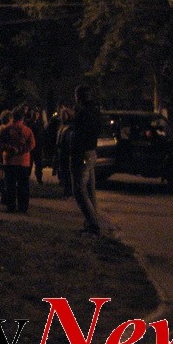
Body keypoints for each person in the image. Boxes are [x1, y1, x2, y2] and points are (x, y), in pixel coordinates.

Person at [70, 84, 102, 235]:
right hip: (91, 152)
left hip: (81, 153)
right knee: (90, 190)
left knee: (79, 191)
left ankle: (93, 225)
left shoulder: (83, 112)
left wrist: (74, 149)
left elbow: (79, 134)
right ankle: (92, 222)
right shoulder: (96, 110)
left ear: (78, 97)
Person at [0, 107, 35, 213]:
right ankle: (23, 207)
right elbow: (32, 144)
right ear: (22, 118)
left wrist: (10, 149)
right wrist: (21, 150)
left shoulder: (6, 130)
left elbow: (1, 144)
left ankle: (11, 206)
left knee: (10, 185)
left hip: (9, 161)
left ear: (13, 117)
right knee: (23, 186)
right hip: (23, 162)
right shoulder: (27, 130)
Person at [56, 106, 74, 198]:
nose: (63, 116)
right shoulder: (62, 126)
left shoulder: (70, 127)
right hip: (61, 152)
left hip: (66, 152)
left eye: (65, 115)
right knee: (63, 172)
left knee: (67, 173)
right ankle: (66, 191)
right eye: (62, 115)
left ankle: (69, 192)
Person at [0, 109, 13, 205]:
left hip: (1, 155)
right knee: (4, 176)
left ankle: (3, 195)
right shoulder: (5, 129)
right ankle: (4, 196)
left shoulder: (1, 128)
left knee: (2, 174)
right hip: (4, 156)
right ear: (9, 119)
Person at [28, 108, 45, 184]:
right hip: (31, 147)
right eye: (35, 114)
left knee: (39, 164)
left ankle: (39, 179)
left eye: (37, 114)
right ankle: (27, 178)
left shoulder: (40, 123)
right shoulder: (29, 123)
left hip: (38, 147)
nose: (36, 115)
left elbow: (42, 134)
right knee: (29, 164)